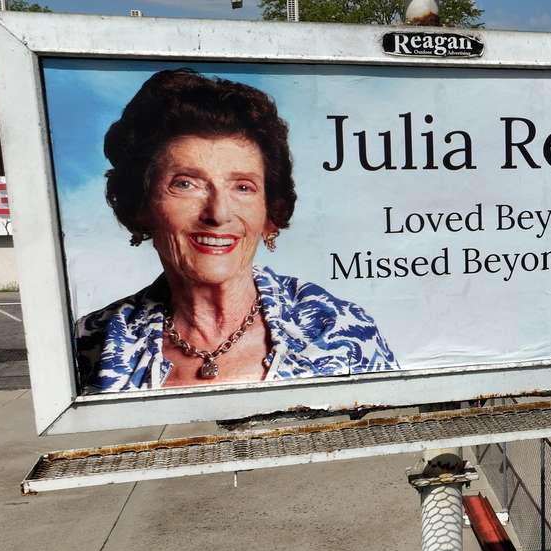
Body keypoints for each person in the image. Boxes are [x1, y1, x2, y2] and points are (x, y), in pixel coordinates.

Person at [75, 69, 398, 393]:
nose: (218, 213)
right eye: (186, 183)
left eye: (243, 187)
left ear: (269, 213)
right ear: (142, 205)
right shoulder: (91, 342)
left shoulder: (341, 330)